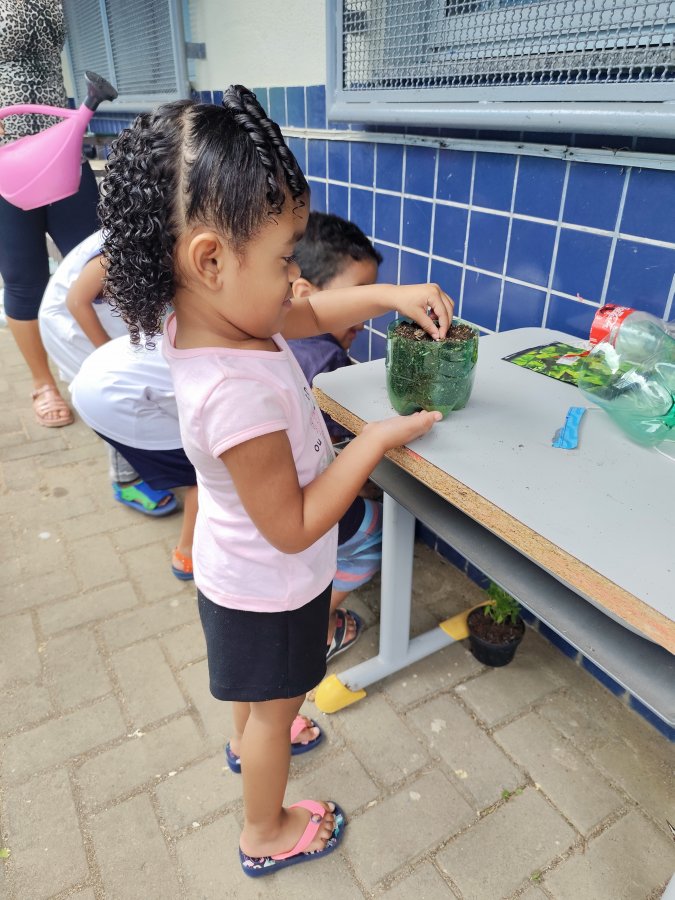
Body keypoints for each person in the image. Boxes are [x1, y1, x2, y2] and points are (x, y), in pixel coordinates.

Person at [98, 87, 452, 876]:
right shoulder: (235, 393)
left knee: (255, 701)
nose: (297, 278)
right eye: (286, 257)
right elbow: (292, 526)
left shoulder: (218, 316)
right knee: (275, 708)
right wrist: (373, 441)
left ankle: (250, 736)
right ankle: (265, 829)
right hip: (274, 586)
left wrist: (389, 295)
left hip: (237, 575)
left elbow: (309, 313)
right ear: (210, 260)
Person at [288, 212, 385, 661]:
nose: (365, 318)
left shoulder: (273, 340)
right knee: (377, 535)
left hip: (263, 518)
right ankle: (314, 627)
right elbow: (343, 452)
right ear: (305, 295)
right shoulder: (328, 366)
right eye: (358, 299)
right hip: (303, 516)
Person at [0, 0, 100, 427]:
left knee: (100, 262)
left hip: (61, 147)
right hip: (6, 159)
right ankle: (43, 383)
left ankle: (105, 360)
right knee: (25, 279)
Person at [39, 232, 177, 517]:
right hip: (72, 324)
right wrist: (108, 357)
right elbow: (76, 301)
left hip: (108, 316)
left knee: (134, 381)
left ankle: (150, 458)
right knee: (114, 394)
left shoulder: (157, 234)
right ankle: (126, 480)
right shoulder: (119, 249)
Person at [70, 334, 198, 577]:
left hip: (99, 373)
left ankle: (129, 479)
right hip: (114, 398)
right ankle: (186, 554)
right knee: (210, 473)